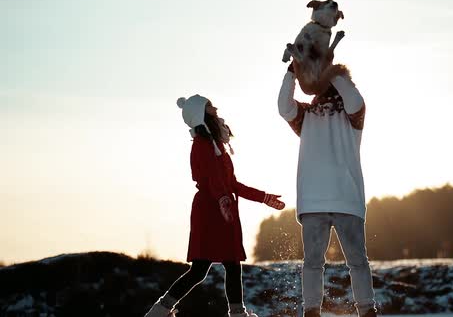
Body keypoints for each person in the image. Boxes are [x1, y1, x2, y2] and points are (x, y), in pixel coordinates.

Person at [144, 94, 286, 317]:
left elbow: (231, 183)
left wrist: (264, 197)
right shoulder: (201, 145)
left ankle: (235, 313)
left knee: (230, 265)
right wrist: (222, 199)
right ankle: (160, 311)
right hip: (210, 211)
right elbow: (211, 179)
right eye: (210, 106)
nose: (215, 109)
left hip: (223, 208)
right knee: (201, 269)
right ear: (199, 113)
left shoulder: (216, 144)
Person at [277, 63, 377, 317]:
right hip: (317, 202)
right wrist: (292, 71)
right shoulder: (306, 115)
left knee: (356, 262)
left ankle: (366, 310)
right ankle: (312, 311)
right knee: (314, 263)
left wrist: (332, 72)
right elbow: (283, 106)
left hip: (344, 199)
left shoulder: (353, 116)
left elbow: (354, 99)